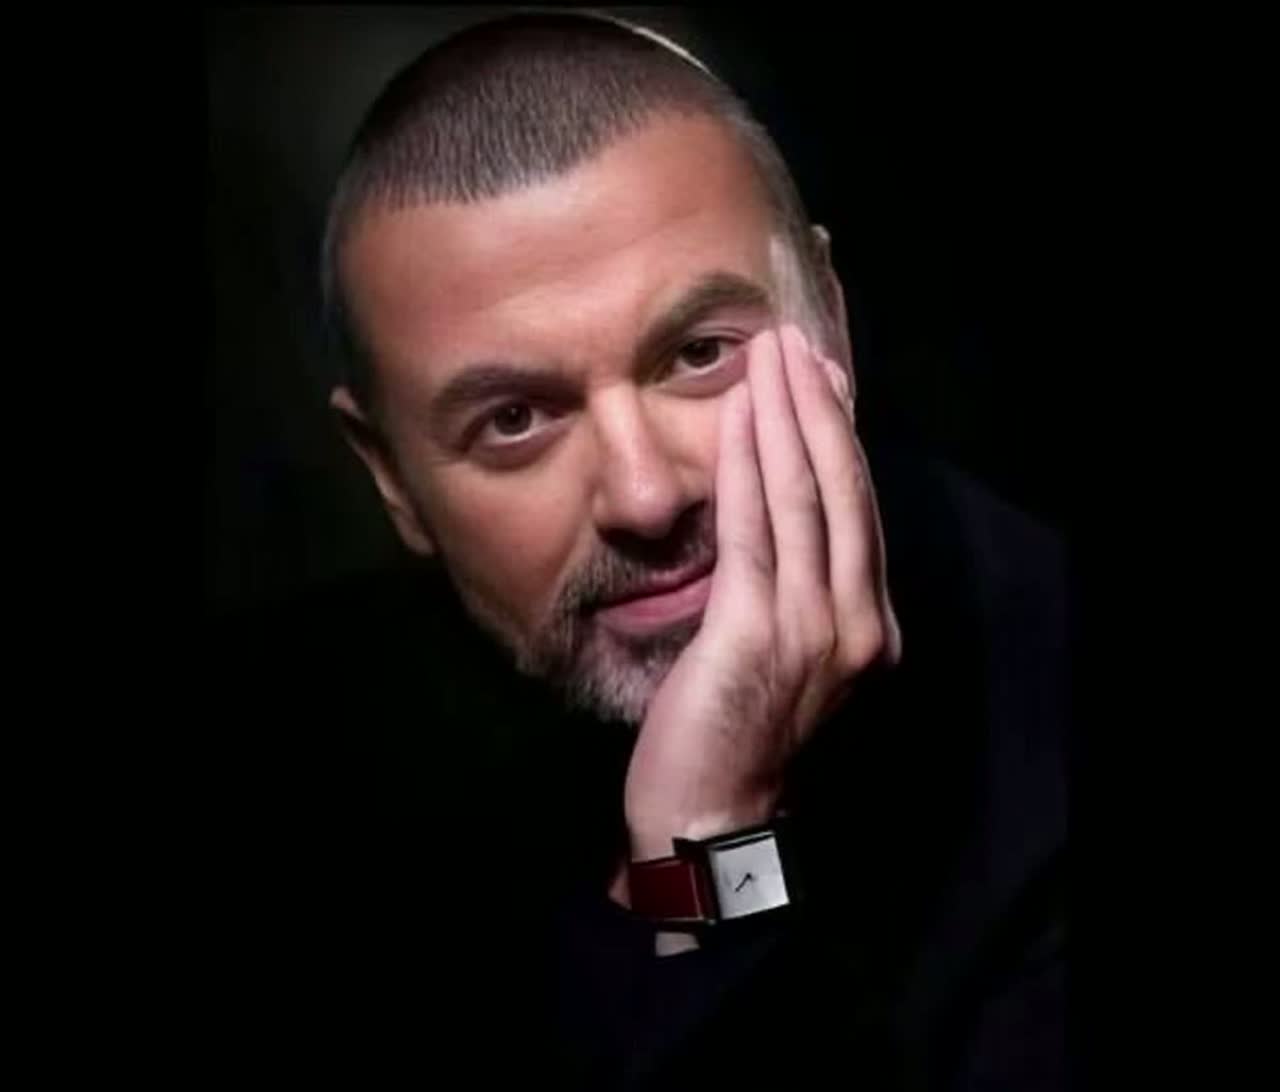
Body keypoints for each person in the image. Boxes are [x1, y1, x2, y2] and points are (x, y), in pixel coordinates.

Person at [211, 11, 1066, 1089]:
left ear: (832, 322)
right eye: (515, 420)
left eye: (701, 354)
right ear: (391, 477)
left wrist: (708, 847)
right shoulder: (287, 778)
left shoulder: (1046, 749)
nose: (647, 496)